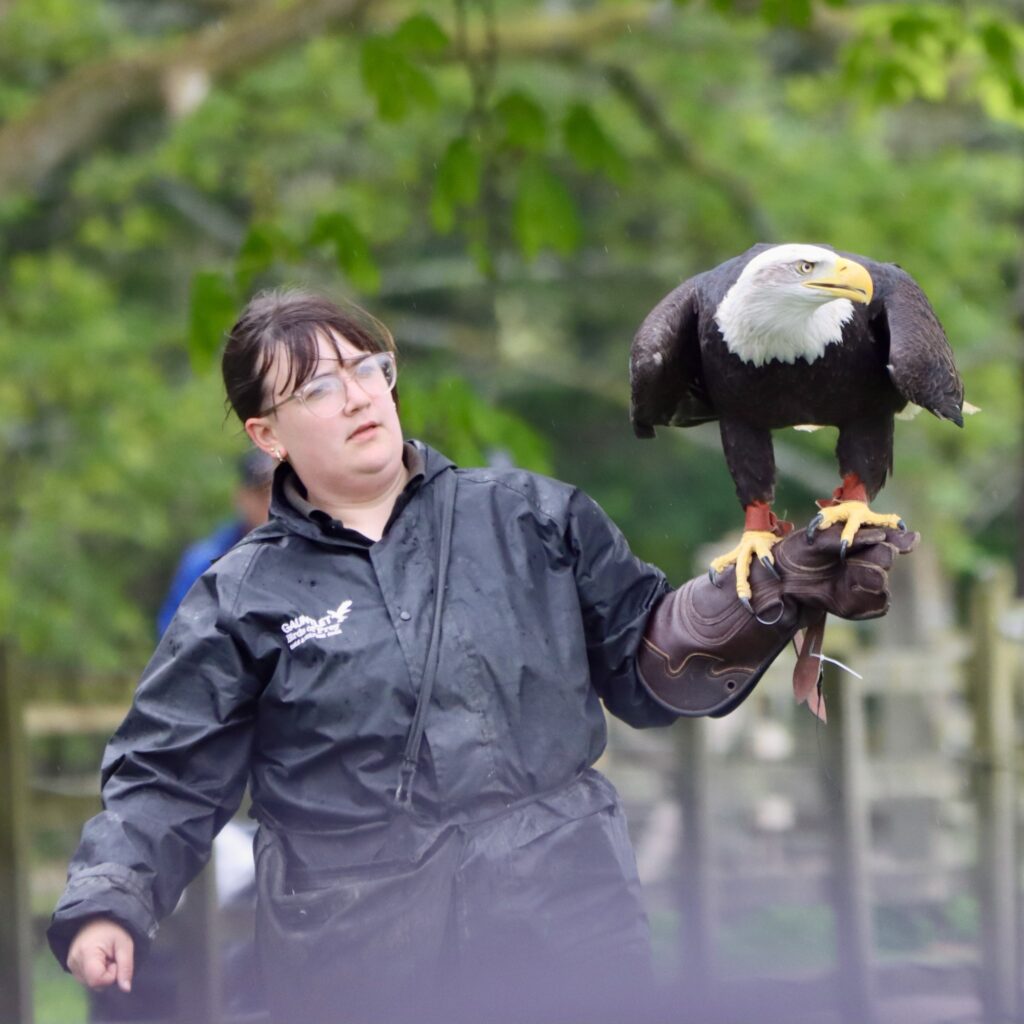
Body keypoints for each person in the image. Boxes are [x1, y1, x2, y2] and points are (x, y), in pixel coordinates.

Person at [49, 290, 916, 1024]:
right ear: (266, 434)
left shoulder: (533, 518)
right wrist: (109, 903)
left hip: (563, 932)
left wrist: (768, 597)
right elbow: (165, 774)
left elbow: (652, 668)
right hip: (354, 961)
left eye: (367, 369)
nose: (356, 398)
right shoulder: (239, 597)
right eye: (317, 387)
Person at [155, 449, 274, 636]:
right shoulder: (206, 561)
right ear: (241, 497)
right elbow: (173, 635)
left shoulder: (308, 556)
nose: (270, 504)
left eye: (277, 494)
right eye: (262, 495)